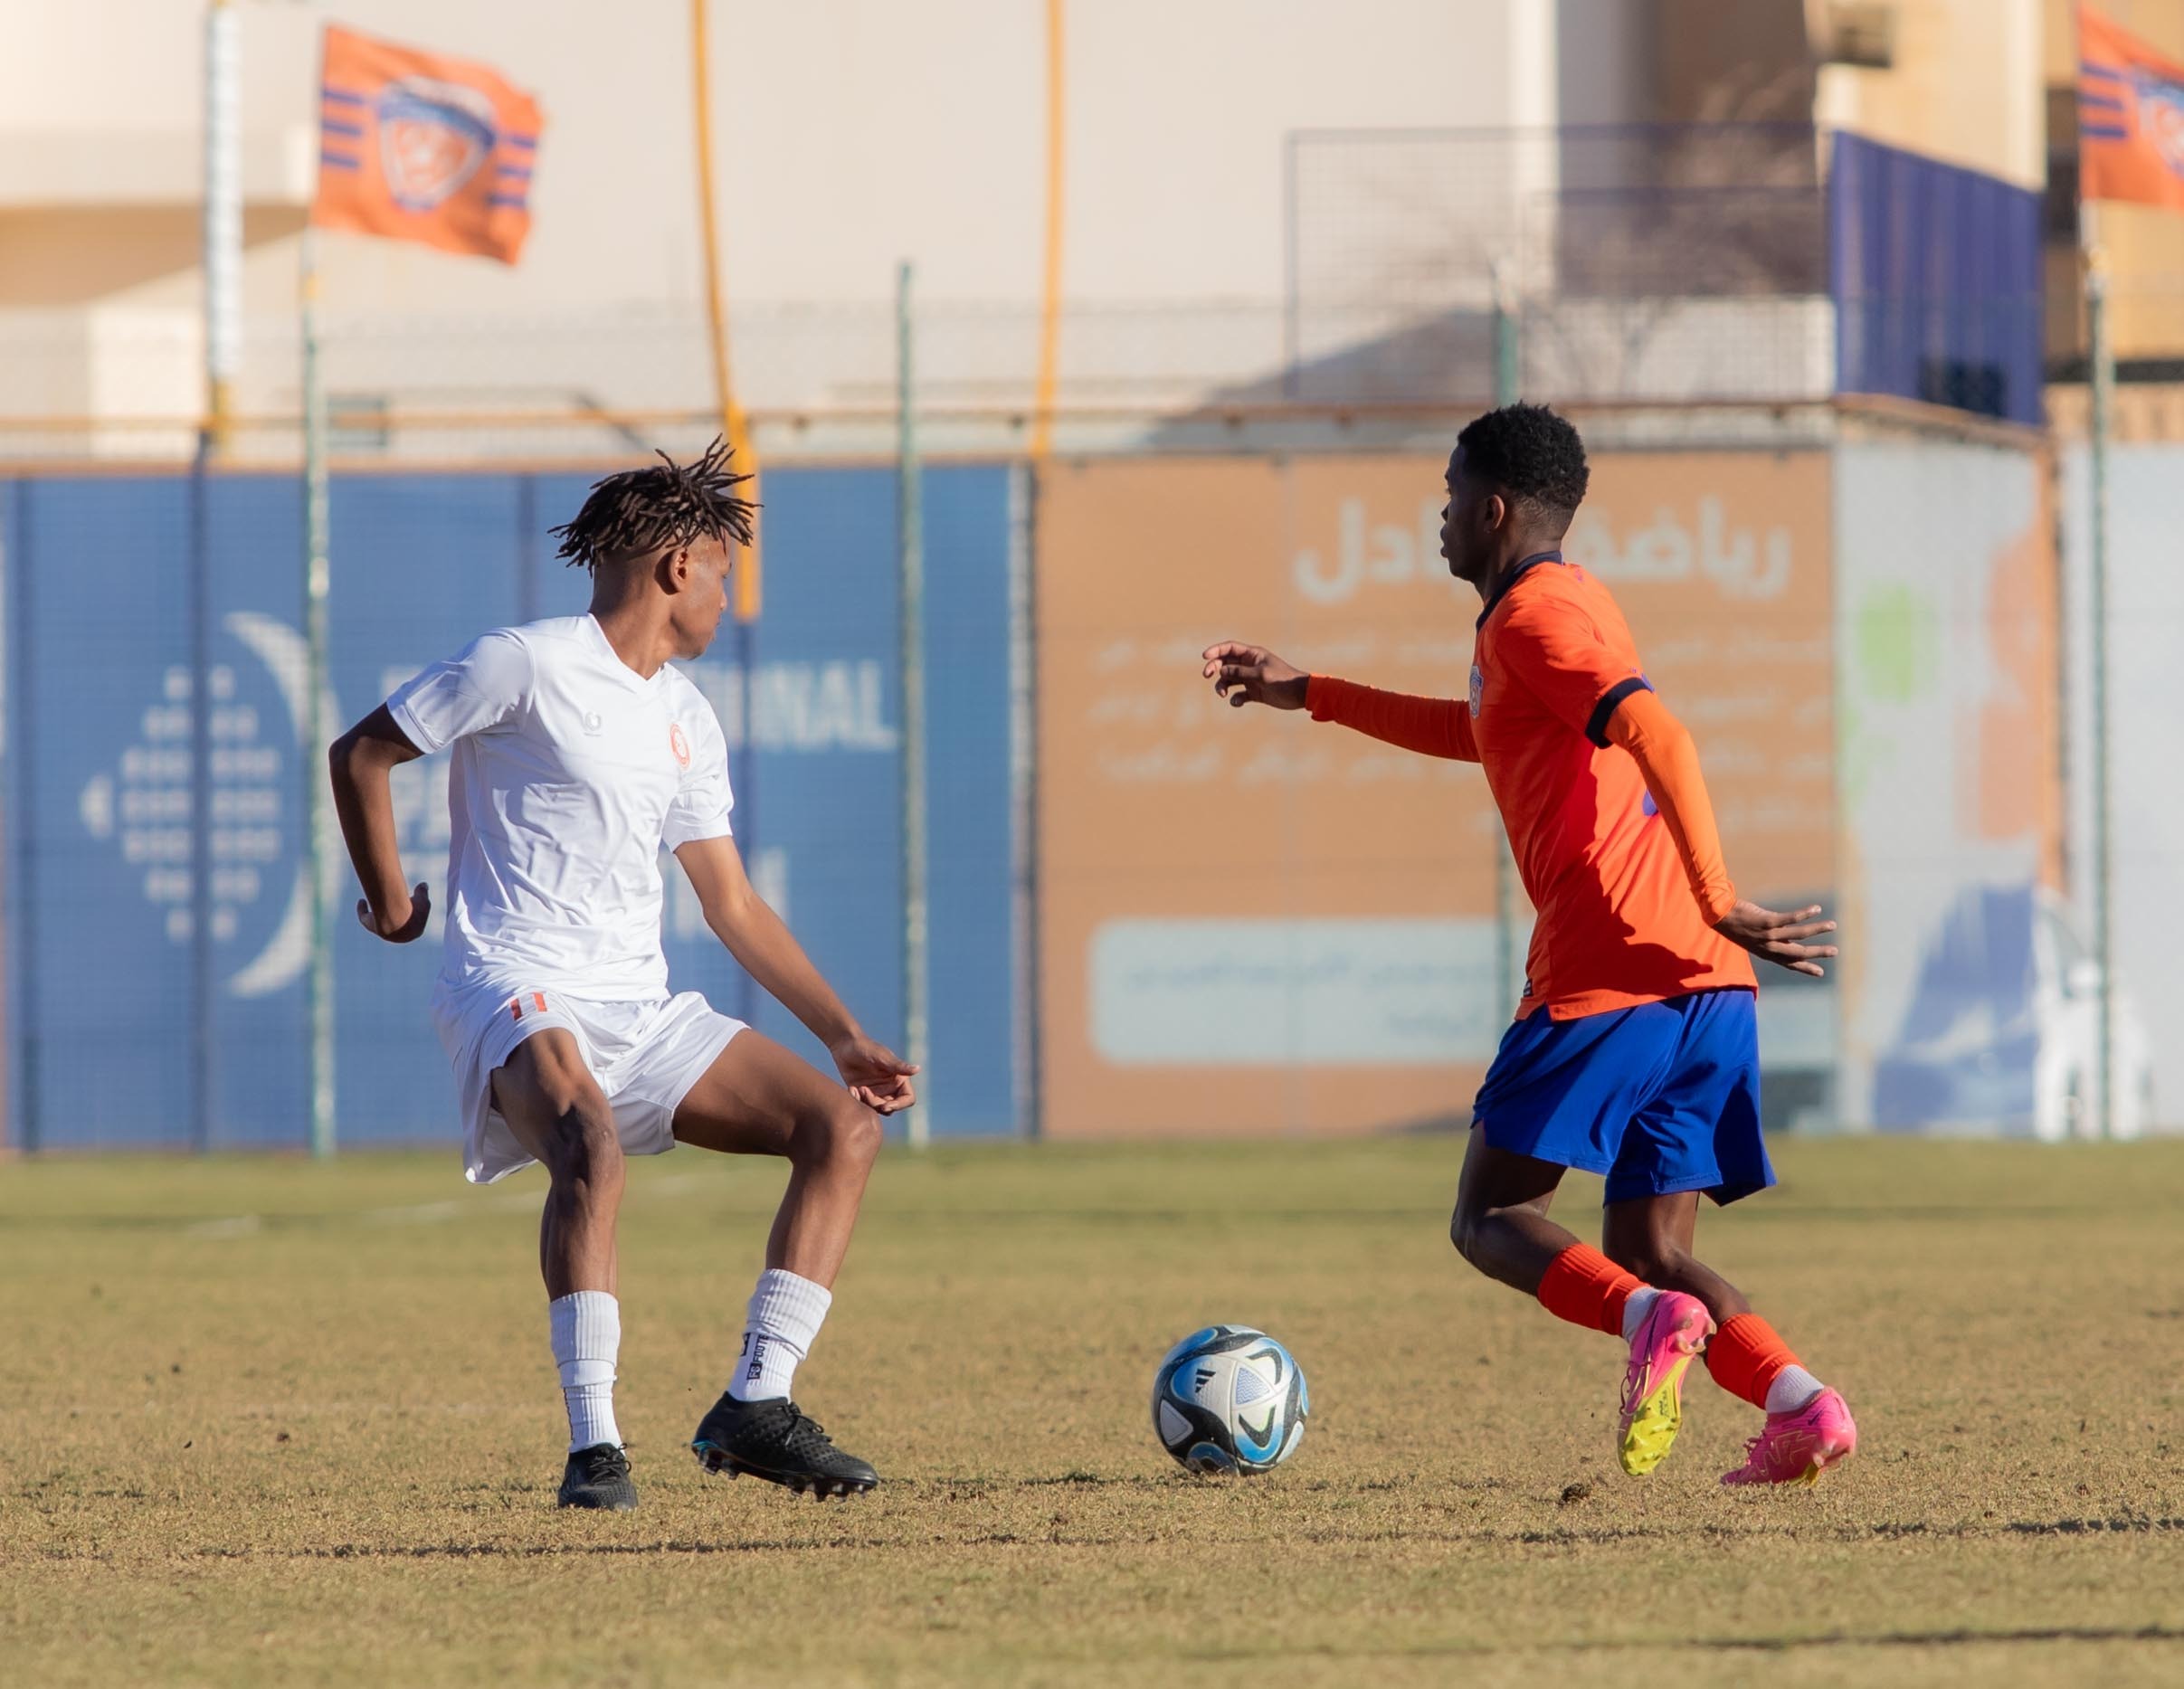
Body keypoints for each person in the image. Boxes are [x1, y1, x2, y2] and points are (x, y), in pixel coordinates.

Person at [1201, 403, 1857, 1486]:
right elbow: (1481, 730)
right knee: (1653, 1248)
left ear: (1493, 508)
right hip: (1707, 988)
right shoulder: (1562, 608)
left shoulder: (1530, 622)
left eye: (1450, 495)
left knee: (1491, 1215)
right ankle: (1805, 1405)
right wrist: (1307, 692)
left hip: (1612, 968)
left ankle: (1650, 1322)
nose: (1440, 516)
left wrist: (1721, 891)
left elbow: (1660, 732)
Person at [328, 441, 916, 1511]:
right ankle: (595, 1445)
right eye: (726, 575)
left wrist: (840, 1034)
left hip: (635, 1008)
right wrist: (398, 903)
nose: (728, 599)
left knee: (843, 1129)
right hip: (510, 982)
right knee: (588, 1145)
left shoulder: (684, 714)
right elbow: (361, 754)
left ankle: (756, 1403)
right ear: (679, 568)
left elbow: (729, 902)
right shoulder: (523, 661)